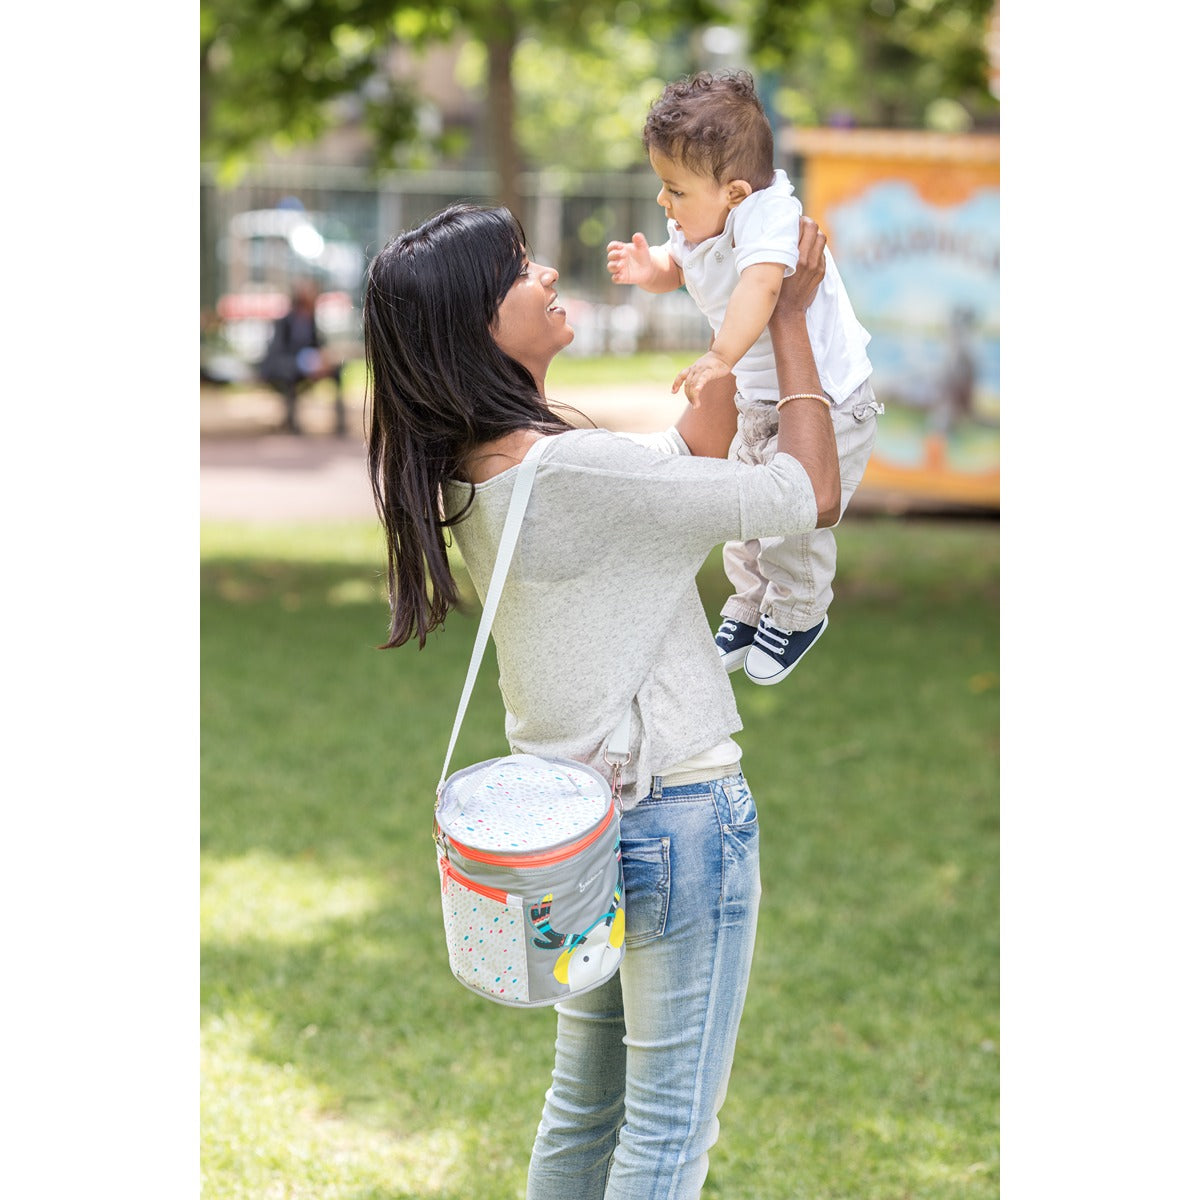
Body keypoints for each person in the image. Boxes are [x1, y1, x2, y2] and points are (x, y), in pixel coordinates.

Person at [363, 201, 839, 1200]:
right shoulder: (575, 472)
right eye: (519, 268)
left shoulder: (479, 473)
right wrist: (791, 319)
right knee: (668, 1132)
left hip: (583, 833)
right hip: (679, 819)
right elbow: (806, 495)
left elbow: (683, 459)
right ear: (476, 324)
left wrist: (729, 335)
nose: (545, 274)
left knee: (584, 1115)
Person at [607, 70, 884, 686]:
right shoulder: (702, 219)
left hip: (829, 403)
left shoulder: (769, 216)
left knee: (792, 522)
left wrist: (720, 356)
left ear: (734, 192)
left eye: (674, 189)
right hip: (763, 403)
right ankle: (750, 604)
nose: (663, 202)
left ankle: (799, 612)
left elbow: (763, 288)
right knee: (744, 513)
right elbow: (680, 265)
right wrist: (650, 267)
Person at [258, 277, 347, 435]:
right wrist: (303, 363)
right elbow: (277, 352)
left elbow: (318, 345)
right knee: (291, 374)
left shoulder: (311, 320)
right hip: (286, 366)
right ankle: (292, 423)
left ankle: (340, 423)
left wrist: (322, 360)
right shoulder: (285, 321)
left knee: (337, 370)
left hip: (309, 365)